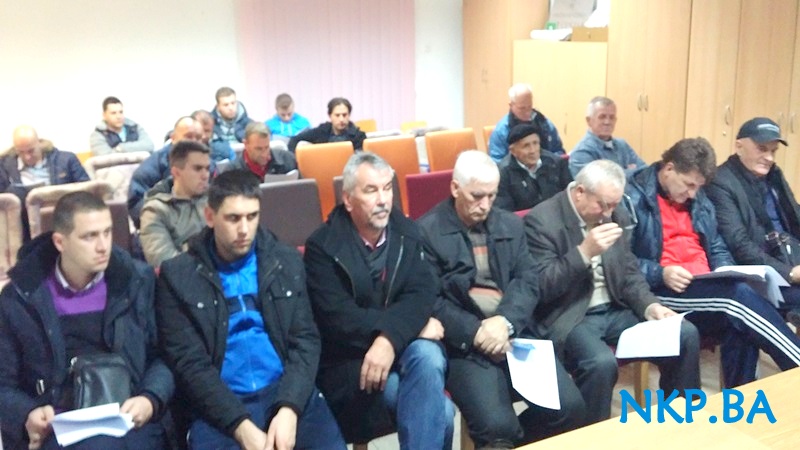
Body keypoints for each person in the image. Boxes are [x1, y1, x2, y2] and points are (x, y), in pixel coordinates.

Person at [156, 170, 345, 449]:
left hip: (284, 389)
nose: (244, 229)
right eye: (233, 218)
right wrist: (240, 427)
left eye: (252, 216)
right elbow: (190, 364)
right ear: (210, 217)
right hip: (220, 403)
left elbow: (305, 340)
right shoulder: (178, 276)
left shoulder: (286, 261)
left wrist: (290, 408)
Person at [417, 151, 585, 448]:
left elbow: (527, 281)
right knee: (498, 428)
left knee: (571, 410)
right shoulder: (426, 232)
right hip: (464, 345)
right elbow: (430, 300)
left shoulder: (509, 224)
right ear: (455, 188)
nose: (485, 205)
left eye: (492, 196)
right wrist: (477, 332)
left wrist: (505, 322)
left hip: (513, 333)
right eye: (477, 196)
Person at [524, 160, 701, 425]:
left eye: (614, 205)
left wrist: (650, 306)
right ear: (580, 192)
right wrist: (584, 253)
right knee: (600, 363)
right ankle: (592, 437)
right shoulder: (542, 221)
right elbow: (542, 287)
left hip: (616, 308)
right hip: (571, 314)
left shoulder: (614, 213)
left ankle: (682, 424)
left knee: (684, 334)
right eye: (603, 205)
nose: (608, 212)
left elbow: (629, 272)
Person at [0, 192, 174, 449]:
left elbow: (166, 355)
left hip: (129, 417)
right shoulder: (21, 296)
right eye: (89, 236)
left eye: (107, 232)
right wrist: (27, 413)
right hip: (59, 426)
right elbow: (4, 382)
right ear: (60, 242)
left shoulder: (137, 281)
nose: (103, 246)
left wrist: (150, 398)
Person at [304, 153, 454, 447]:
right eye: (371, 190)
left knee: (429, 354)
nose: (383, 200)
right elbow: (339, 319)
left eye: (387, 188)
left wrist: (389, 340)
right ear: (348, 200)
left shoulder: (407, 232)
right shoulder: (322, 247)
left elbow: (422, 293)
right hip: (350, 364)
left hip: (400, 351)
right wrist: (403, 330)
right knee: (444, 414)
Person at [626, 137, 800, 387]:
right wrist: (660, 272)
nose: (692, 194)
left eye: (698, 187)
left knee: (741, 321)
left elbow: (716, 244)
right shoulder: (633, 197)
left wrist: (725, 270)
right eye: (688, 185)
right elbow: (621, 263)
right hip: (664, 288)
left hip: (705, 284)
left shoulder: (697, 198)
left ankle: (739, 400)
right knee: (737, 299)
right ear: (669, 168)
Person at [706, 117, 800, 311]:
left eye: (773, 151)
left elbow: (794, 217)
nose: (769, 158)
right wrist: (790, 273)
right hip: (762, 275)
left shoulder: (774, 175)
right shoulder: (720, 182)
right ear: (739, 147)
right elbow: (739, 245)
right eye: (762, 149)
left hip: (789, 257)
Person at [0, 126, 90, 240]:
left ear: (39, 144)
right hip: (23, 225)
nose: (27, 157)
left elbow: (87, 190)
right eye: (21, 152)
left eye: (31, 151)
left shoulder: (66, 160)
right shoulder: (4, 167)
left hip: (63, 217)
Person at [139, 140, 210, 268]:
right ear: (176, 172)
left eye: (207, 169)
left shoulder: (215, 199)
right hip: (190, 276)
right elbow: (166, 264)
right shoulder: (155, 211)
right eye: (198, 169)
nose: (205, 176)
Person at [127, 116, 204, 228]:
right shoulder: (153, 166)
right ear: (173, 138)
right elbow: (136, 206)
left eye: (198, 138)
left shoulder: (207, 164)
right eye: (188, 137)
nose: (194, 143)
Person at [496, 123, 572, 212]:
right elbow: (504, 211)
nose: (533, 150)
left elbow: (570, 196)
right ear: (513, 151)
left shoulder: (556, 163)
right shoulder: (503, 174)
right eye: (526, 146)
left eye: (535, 143)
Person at [568, 96, 645, 177]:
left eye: (612, 117)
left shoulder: (622, 145)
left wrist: (623, 174)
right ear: (589, 121)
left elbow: (646, 174)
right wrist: (631, 172)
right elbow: (601, 182)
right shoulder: (582, 152)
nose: (607, 122)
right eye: (602, 117)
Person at [488, 83, 564, 162]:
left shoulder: (544, 123)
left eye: (529, 107)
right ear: (511, 105)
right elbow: (497, 161)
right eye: (522, 108)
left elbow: (558, 150)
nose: (527, 112)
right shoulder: (501, 130)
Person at [288, 97, 367, 153]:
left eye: (344, 115)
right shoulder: (321, 131)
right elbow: (294, 140)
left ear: (349, 115)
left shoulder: (359, 136)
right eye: (337, 115)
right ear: (330, 115)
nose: (341, 119)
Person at [223, 122, 298, 180]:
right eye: (258, 149)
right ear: (246, 144)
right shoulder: (231, 173)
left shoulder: (288, 159)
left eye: (267, 147)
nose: (264, 154)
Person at [89, 96, 154, 156]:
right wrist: (135, 148)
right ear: (104, 115)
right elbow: (105, 157)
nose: (118, 116)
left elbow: (149, 145)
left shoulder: (134, 127)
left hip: (141, 164)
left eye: (121, 112)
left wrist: (121, 148)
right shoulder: (97, 135)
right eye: (113, 113)